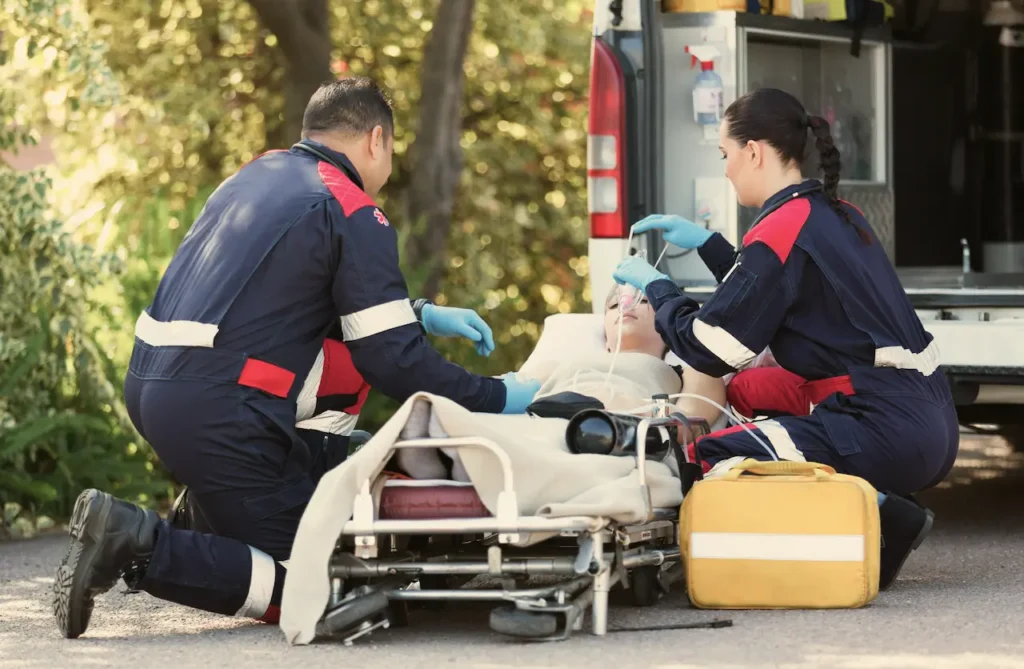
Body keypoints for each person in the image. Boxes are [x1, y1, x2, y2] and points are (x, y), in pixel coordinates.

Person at [52, 77, 542, 639]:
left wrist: (420, 312)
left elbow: (284, 300)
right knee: (331, 588)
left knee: (329, 428)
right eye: (393, 151)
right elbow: (394, 362)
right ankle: (137, 543)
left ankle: (211, 515)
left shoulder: (255, 177)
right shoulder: (353, 209)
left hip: (157, 387)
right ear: (375, 139)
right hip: (221, 411)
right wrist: (499, 396)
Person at [611, 88, 959, 590]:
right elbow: (773, 286)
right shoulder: (836, 213)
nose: (726, 169)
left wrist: (658, 288)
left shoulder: (782, 227)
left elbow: (711, 347)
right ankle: (882, 512)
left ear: (753, 152)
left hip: (884, 428)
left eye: (726, 155)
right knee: (752, 394)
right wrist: (709, 245)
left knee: (707, 456)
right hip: (927, 420)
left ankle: (878, 515)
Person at [531, 284, 726, 424]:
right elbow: (506, 396)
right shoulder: (554, 367)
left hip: (610, 437)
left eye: (642, 300)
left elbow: (685, 428)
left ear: (669, 328)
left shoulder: (692, 373)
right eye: (614, 305)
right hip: (540, 428)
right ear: (605, 335)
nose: (626, 306)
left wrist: (623, 408)